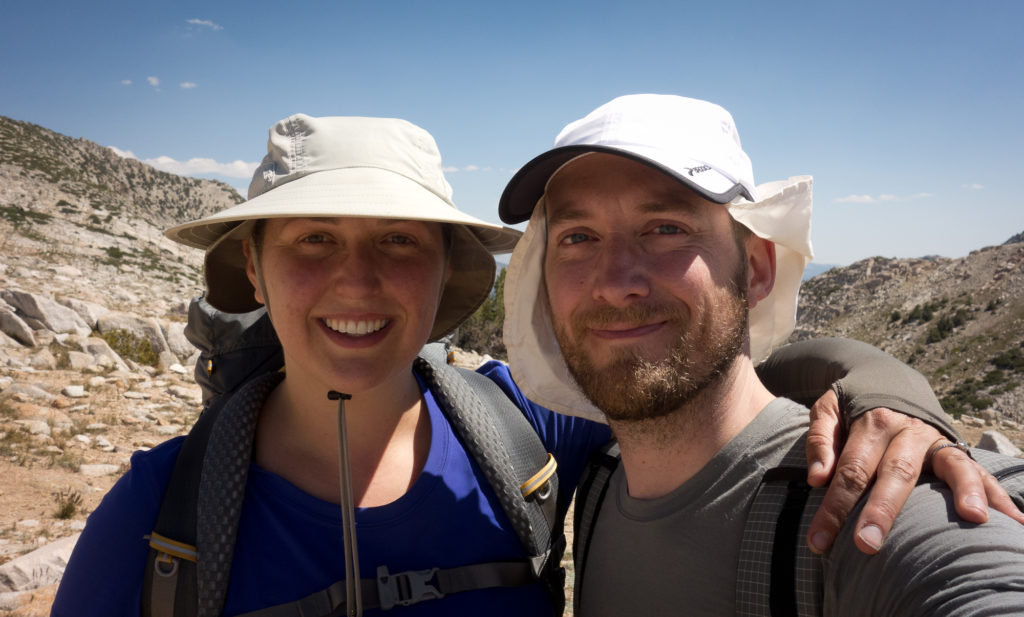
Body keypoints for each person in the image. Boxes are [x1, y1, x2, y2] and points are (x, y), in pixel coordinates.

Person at [51, 113, 1011, 617]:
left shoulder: (528, 434)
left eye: (397, 240)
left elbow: (711, 375)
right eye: (310, 240)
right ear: (254, 267)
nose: (357, 277)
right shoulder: (158, 520)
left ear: (443, 276)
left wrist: (889, 397)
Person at [497, 93, 1024, 615]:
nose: (613, 284)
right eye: (578, 236)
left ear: (757, 268)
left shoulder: (869, 503)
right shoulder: (596, 483)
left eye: (666, 229)